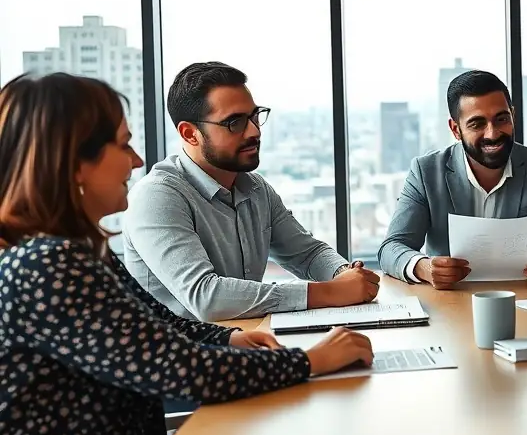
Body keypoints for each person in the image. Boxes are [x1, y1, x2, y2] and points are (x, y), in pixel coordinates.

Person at [0, 74, 373, 435]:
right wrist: (308, 360)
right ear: (75, 163)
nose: (135, 161)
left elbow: (155, 324)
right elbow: (182, 371)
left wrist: (232, 337)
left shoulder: (77, 253)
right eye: (123, 145)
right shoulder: (47, 265)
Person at [123, 62, 379, 323]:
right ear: (190, 134)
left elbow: (307, 254)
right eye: (235, 123)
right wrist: (328, 292)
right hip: (181, 358)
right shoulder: (156, 196)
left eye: (255, 116)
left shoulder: (256, 188)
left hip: (247, 344)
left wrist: (344, 274)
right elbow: (207, 298)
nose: (255, 131)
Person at [378, 69, 527, 288]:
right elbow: (391, 248)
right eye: (477, 124)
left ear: (512, 116)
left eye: (501, 119)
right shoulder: (426, 172)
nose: (492, 134)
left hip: (525, 297)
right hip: (450, 301)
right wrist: (423, 267)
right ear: (456, 129)